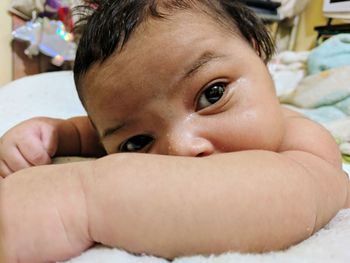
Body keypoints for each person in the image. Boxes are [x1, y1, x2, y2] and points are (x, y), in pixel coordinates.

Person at [0, 0, 349, 262]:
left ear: (259, 54)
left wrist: (81, 199)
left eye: (211, 95)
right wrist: (57, 135)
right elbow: (100, 138)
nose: (180, 149)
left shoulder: (304, 142)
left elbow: (288, 202)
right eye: (139, 142)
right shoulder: (157, 128)